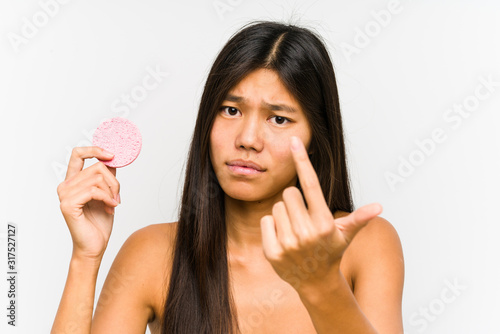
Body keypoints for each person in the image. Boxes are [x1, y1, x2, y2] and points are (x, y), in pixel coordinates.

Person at [52, 20, 404, 334]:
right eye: (231, 110)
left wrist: (323, 285)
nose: (247, 139)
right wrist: (85, 258)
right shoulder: (151, 254)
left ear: (316, 138)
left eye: (278, 118)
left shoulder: (364, 243)